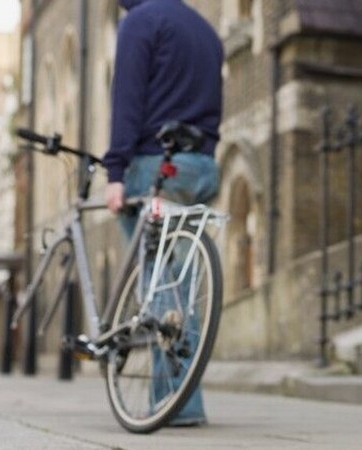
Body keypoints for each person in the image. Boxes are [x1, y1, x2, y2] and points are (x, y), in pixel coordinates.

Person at [103, 0, 223, 427]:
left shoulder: (140, 21)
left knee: (157, 286)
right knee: (183, 285)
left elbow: (128, 99)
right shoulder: (206, 31)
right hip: (202, 165)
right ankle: (186, 400)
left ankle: (174, 404)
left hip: (156, 165)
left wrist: (114, 169)